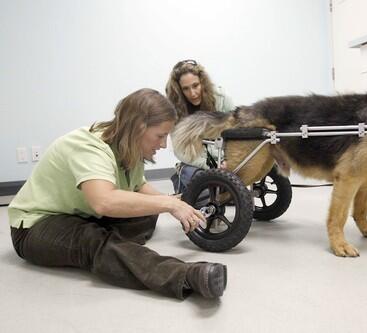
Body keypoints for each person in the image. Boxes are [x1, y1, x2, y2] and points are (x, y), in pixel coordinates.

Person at [8, 88, 227, 300]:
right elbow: (104, 202)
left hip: (81, 215)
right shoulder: (88, 146)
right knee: (93, 239)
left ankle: (114, 250)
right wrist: (169, 205)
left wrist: (177, 203)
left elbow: (139, 187)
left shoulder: (127, 147)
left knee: (148, 213)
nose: (163, 145)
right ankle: (186, 276)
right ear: (138, 128)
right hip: (34, 226)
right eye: (160, 136)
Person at [166, 60, 235, 193]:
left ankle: (222, 189)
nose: (192, 93)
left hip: (224, 160)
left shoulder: (222, 99)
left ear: (203, 82)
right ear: (179, 90)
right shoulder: (174, 110)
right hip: (197, 162)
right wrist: (213, 167)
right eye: (186, 89)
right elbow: (181, 150)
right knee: (199, 180)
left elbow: (235, 133)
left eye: (195, 85)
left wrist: (229, 161)